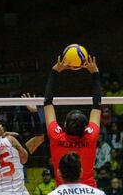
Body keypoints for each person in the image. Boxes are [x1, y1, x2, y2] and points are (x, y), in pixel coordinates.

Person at [43, 55, 102, 187]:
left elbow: (47, 102)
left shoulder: (56, 136)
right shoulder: (90, 136)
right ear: (85, 128)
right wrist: (95, 73)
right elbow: (97, 105)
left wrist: (55, 71)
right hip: (90, 190)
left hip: (62, 191)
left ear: (64, 125)